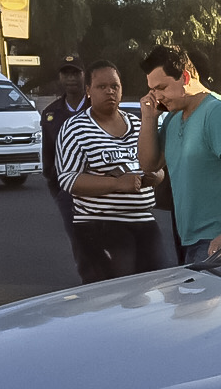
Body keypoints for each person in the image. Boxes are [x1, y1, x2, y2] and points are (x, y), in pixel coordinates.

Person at [137, 45, 221, 264]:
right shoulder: (173, 118)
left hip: (220, 242)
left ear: (185, 77)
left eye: (161, 87)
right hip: (190, 239)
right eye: (152, 90)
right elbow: (149, 165)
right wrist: (149, 118)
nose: (157, 96)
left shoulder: (218, 111)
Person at [56, 60, 168, 282]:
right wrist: (117, 184)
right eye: (102, 86)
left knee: (155, 285)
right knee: (116, 294)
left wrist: (154, 177)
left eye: (115, 86)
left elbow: (159, 168)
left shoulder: (138, 125)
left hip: (143, 221)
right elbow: (68, 180)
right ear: (88, 91)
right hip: (99, 225)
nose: (110, 91)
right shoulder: (75, 128)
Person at [40, 54, 88, 275]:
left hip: (101, 187)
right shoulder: (51, 113)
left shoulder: (96, 106)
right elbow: (48, 156)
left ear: (84, 76)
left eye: (75, 73)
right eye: (66, 73)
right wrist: (57, 187)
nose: (70, 78)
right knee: (79, 240)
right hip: (67, 189)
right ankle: (89, 282)